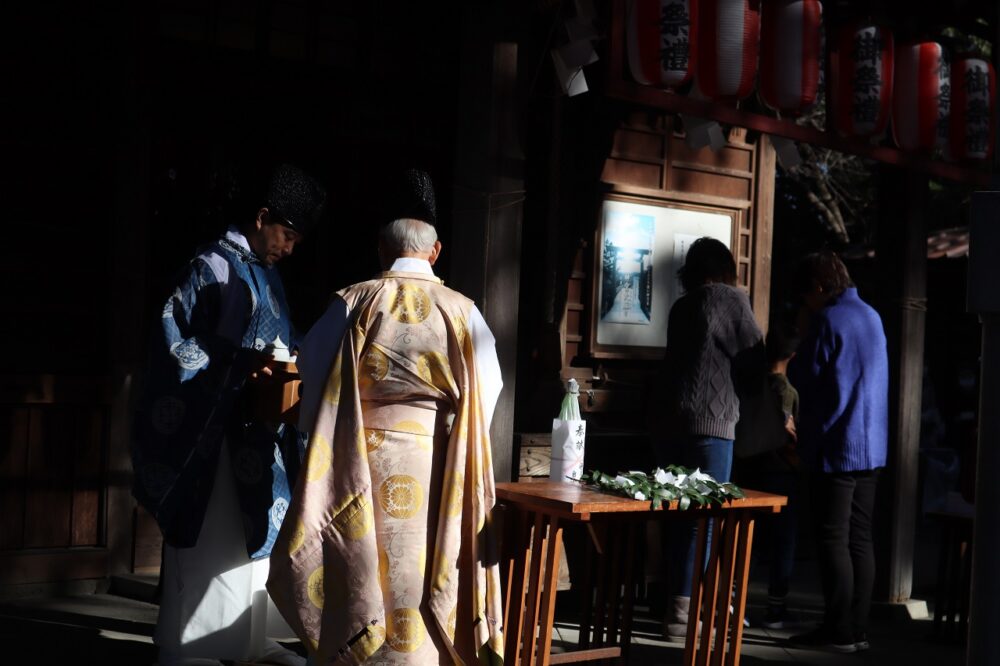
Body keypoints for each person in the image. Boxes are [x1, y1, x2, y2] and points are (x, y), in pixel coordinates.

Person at [267, 169, 504, 664]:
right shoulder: (462, 311)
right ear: (435, 252)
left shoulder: (353, 301)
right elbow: (490, 386)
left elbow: (311, 367)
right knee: (422, 577)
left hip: (360, 461)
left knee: (362, 568)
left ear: (381, 247)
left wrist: (323, 432)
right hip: (437, 467)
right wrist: (458, 442)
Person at [132, 163, 327, 666]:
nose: (289, 248)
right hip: (209, 431)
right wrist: (241, 362)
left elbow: (288, 339)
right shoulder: (210, 266)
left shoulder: (270, 277)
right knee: (210, 537)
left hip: (253, 429)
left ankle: (246, 640)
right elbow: (175, 346)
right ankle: (186, 645)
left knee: (250, 540)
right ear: (261, 218)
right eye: (286, 235)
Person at [657, 237, 765, 641]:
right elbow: (753, 358)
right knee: (704, 520)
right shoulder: (732, 300)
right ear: (725, 267)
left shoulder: (681, 307)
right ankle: (685, 613)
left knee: (680, 516)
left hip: (672, 425)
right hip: (713, 425)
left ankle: (675, 603)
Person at [787, 251, 888, 654]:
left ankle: (837, 628)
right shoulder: (872, 316)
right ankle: (857, 629)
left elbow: (803, 375)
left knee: (832, 537)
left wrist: (801, 331)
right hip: (871, 444)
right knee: (860, 538)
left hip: (837, 443)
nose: (804, 302)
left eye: (805, 294)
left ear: (818, 287)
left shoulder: (828, 320)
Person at [732, 324, 801, 629]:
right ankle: (776, 608)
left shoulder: (751, 386)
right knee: (783, 542)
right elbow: (789, 433)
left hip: (750, 469)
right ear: (793, 355)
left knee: (750, 540)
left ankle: (736, 603)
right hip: (781, 471)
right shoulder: (787, 391)